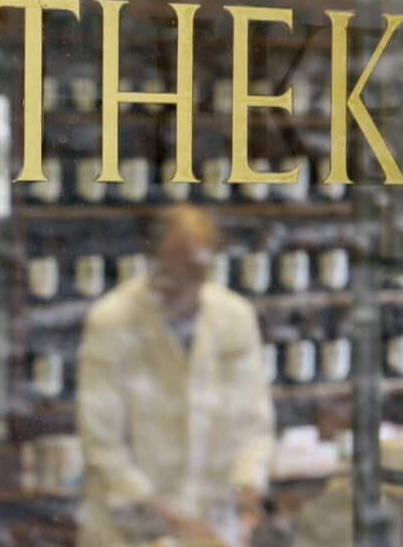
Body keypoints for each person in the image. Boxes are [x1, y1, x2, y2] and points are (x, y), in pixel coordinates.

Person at [77, 205, 274, 547]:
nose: (183, 278)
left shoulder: (235, 317)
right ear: (153, 256)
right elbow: (102, 445)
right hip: (130, 531)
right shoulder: (111, 321)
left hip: (214, 526)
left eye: (195, 267)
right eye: (174, 264)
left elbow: (253, 424)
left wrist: (247, 492)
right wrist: (174, 520)